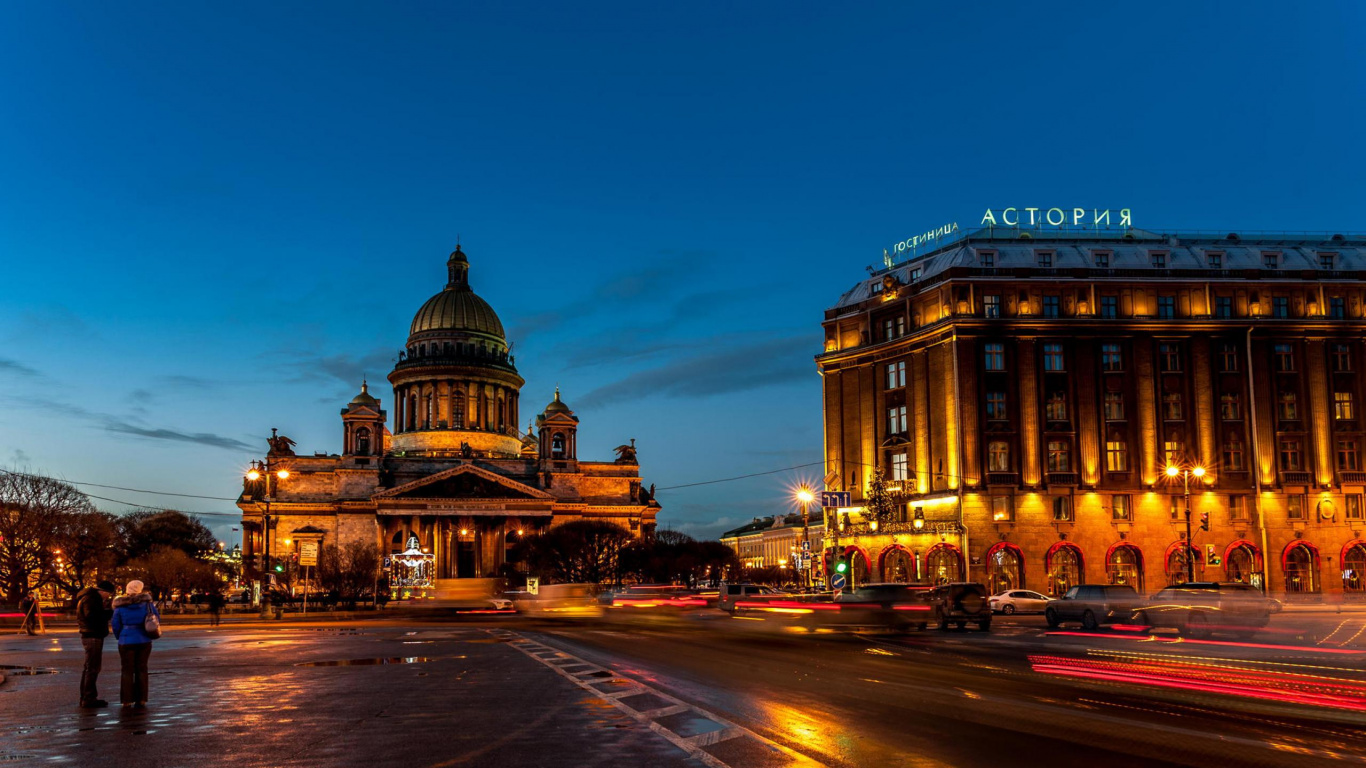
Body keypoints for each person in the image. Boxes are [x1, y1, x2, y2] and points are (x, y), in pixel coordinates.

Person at [111, 580, 158, 710]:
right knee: (142, 669)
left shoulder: (120, 606)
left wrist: (120, 636)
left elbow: (115, 624)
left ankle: (126, 700)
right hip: (144, 640)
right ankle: (141, 699)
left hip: (126, 640)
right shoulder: (147, 605)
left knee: (127, 670)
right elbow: (156, 618)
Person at [75, 580, 116, 708]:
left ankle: (86, 696)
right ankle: (89, 698)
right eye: (108, 594)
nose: (108, 597)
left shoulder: (88, 597)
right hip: (92, 635)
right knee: (92, 668)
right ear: (102, 591)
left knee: (89, 667)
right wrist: (110, 613)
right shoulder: (92, 599)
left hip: (90, 634)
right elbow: (92, 616)